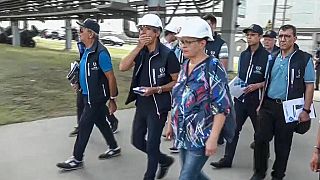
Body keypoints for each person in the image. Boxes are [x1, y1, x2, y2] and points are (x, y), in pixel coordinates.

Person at [119, 14, 180, 180]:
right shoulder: (141, 52)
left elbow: (176, 81)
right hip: (142, 104)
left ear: (156, 33)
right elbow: (123, 66)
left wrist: (157, 89)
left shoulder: (168, 55)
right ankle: (164, 160)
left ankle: (149, 176)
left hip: (158, 106)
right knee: (137, 141)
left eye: (146, 29)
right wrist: (139, 47)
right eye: (140, 28)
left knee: (153, 144)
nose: (142, 31)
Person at [168, 18, 230, 180]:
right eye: (181, 41)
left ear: (202, 43)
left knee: (186, 177)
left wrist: (213, 138)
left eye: (188, 42)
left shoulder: (213, 67)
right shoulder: (184, 66)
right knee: (194, 175)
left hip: (202, 134)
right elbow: (178, 98)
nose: (183, 46)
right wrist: (170, 124)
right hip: (182, 131)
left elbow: (221, 106)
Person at [251, 24, 315, 180]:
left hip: (288, 108)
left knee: (282, 145)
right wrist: (261, 103)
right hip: (269, 105)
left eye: (287, 36)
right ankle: (259, 173)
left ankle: (278, 175)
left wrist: (305, 111)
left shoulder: (304, 59)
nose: (283, 39)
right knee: (260, 139)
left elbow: (309, 85)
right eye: (281, 36)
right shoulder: (272, 57)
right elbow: (267, 81)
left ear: (294, 38)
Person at [56, 18, 121, 170]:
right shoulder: (86, 50)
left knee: (84, 125)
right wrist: (77, 82)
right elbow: (85, 71)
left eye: (82, 30)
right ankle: (114, 147)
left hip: (96, 97)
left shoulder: (101, 53)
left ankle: (77, 159)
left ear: (91, 34)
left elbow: (111, 77)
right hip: (86, 95)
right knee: (101, 122)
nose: (79, 33)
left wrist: (112, 99)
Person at [211, 24, 269, 169]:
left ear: (260, 37)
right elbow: (241, 76)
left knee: (260, 133)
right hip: (241, 99)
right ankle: (227, 159)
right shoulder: (244, 55)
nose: (249, 37)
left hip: (257, 101)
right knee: (233, 129)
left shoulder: (267, 57)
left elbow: (270, 79)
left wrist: (258, 85)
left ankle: (262, 160)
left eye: (253, 35)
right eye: (248, 35)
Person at [202, 13, 230, 146]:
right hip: (201, 85)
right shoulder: (200, 41)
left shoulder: (221, 44)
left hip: (215, 85)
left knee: (217, 111)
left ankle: (218, 135)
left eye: (208, 25)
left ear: (214, 25)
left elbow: (223, 68)